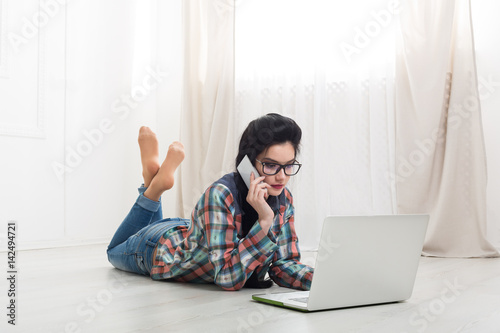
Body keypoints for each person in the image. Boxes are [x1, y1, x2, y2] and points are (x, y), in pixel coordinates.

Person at [107, 113, 314, 291]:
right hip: (155, 248)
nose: (282, 177)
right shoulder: (220, 194)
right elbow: (227, 278)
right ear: (248, 163)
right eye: (271, 166)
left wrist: (323, 280)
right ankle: (152, 189)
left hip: (187, 232)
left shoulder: (283, 198)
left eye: (289, 165)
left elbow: (284, 264)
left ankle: (152, 181)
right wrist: (265, 221)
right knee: (113, 250)